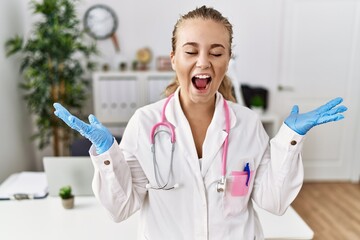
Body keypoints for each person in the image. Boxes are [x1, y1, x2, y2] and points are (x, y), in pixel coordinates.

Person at [53, 6, 347, 240]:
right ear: (173, 58)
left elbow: (274, 201)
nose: (203, 62)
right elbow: (121, 209)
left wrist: (289, 139)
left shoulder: (247, 124)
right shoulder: (145, 123)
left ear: (228, 60)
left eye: (216, 52)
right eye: (191, 51)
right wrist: (107, 155)